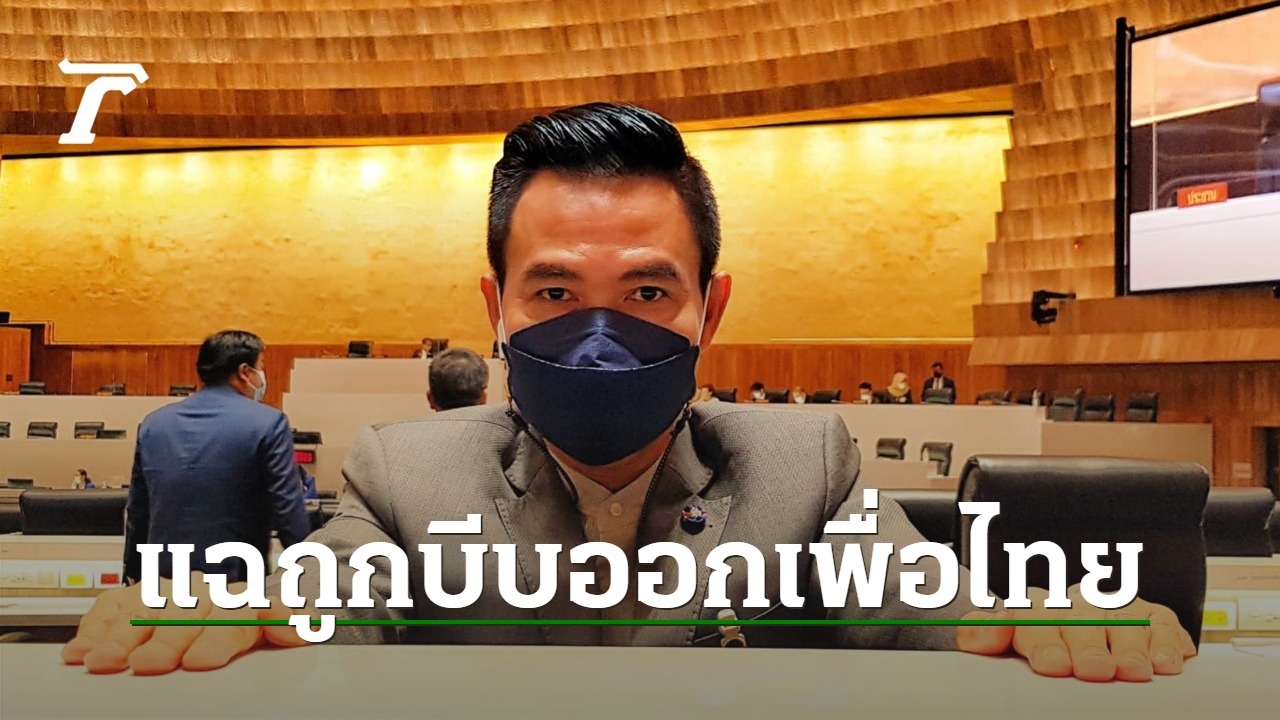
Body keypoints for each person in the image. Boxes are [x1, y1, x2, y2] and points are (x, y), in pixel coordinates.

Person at [65, 103, 1193, 682]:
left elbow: (914, 593)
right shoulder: (406, 470)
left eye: (647, 291)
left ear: (710, 309)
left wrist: (1031, 617)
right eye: (554, 291)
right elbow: (334, 583)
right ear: (496, 306)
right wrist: (246, 608)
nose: (598, 335)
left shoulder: (803, 465)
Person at [120, 330, 311, 586]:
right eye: (261, 366)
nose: (262, 375)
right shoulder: (268, 423)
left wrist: (133, 573)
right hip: (235, 584)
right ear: (245, 372)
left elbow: (138, 511)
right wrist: (309, 575)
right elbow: (288, 511)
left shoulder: (153, 424)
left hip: (163, 583)